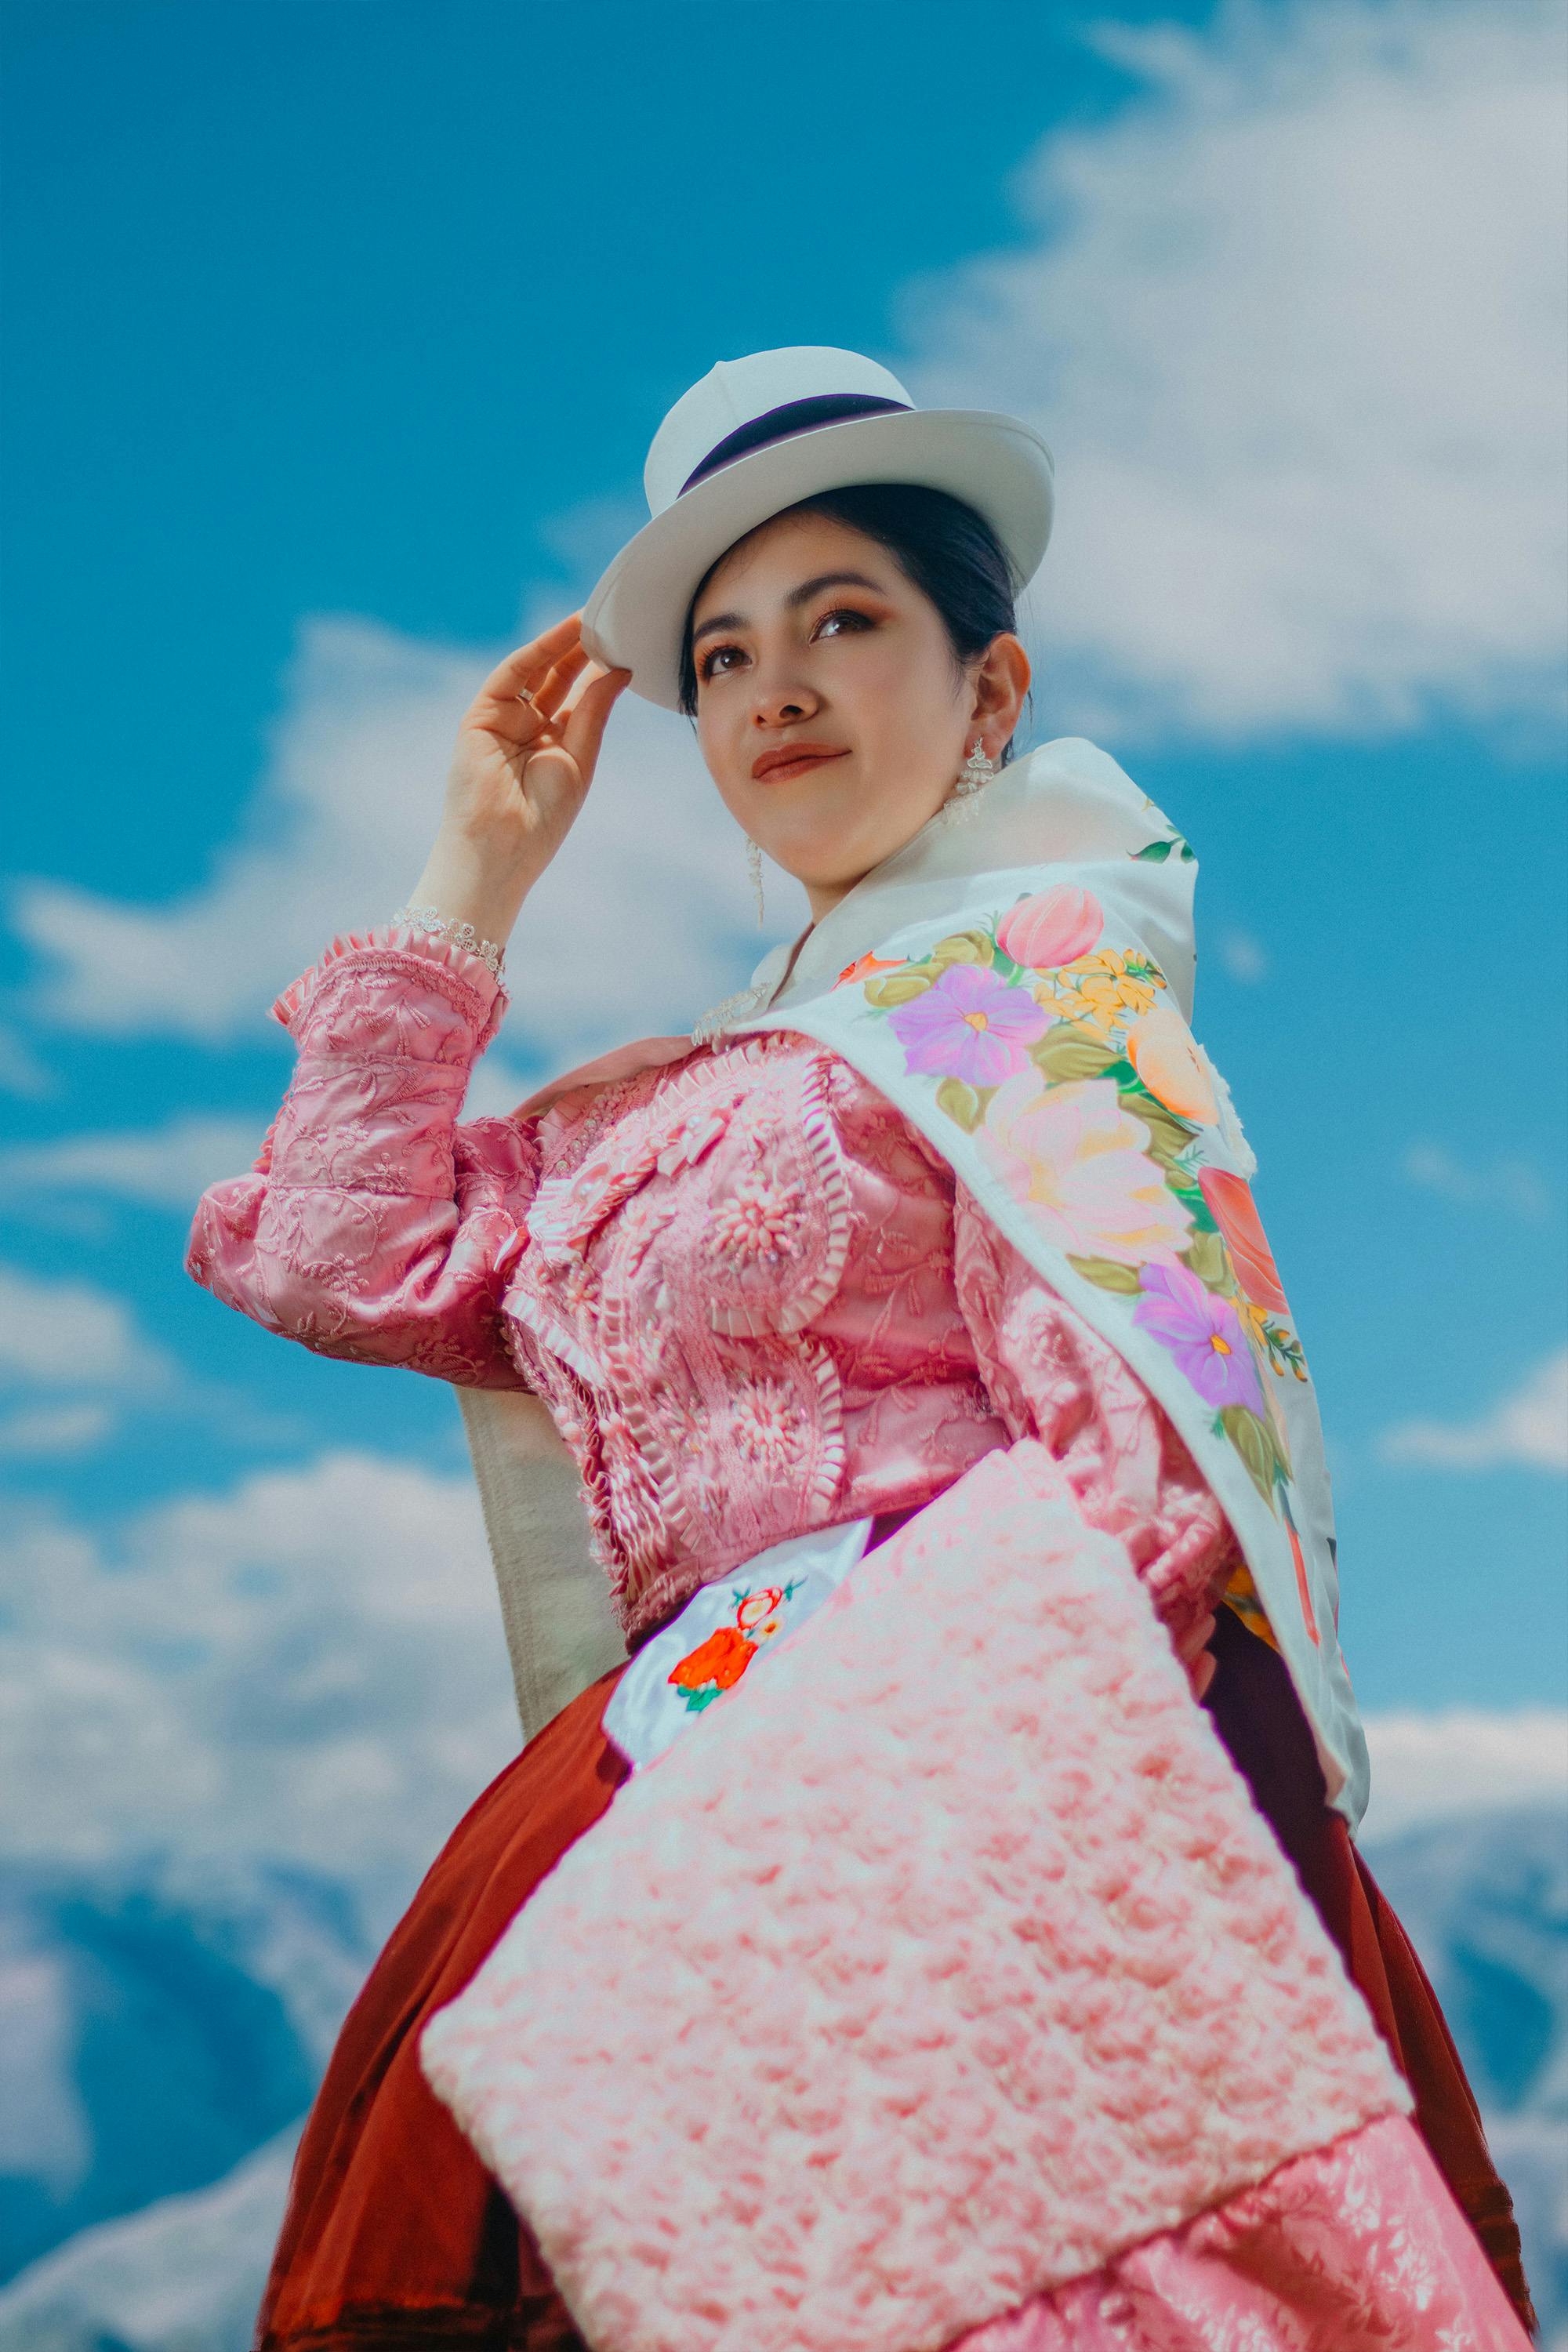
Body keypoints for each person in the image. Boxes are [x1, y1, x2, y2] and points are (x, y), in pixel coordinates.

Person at [187, 348, 1534, 2350]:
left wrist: (862, 1845)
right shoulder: (679, 1102)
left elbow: (1140, 1490)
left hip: (939, 1828)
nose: (777, 689)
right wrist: (474, 873)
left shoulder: (1036, 1017)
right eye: (723, 659)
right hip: (661, 1797)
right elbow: (336, 1257)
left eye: (843, 621)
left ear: (990, 689)